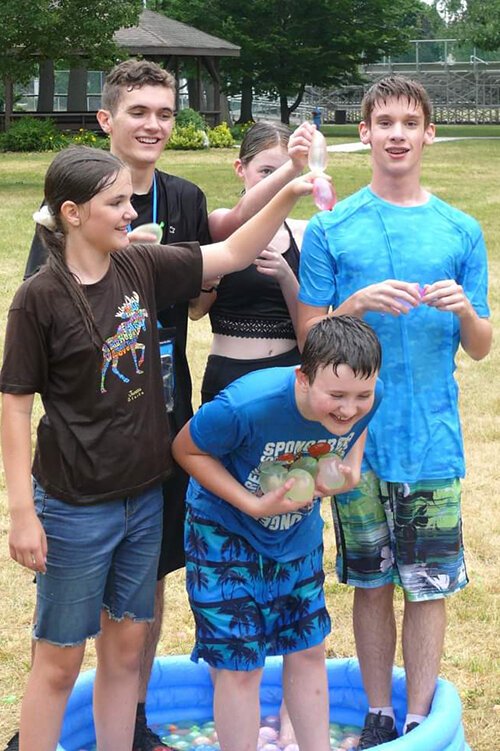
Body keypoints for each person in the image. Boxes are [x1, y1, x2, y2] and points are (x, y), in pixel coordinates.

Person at [0, 145, 315, 751]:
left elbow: (233, 252)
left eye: (128, 200)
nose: (129, 213)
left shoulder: (140, 267)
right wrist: (22, 513)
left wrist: (288, 192)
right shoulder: (38, 297)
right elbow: (15, 405)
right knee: (61, 662)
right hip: (74, 506)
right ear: (71, 212)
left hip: (144, 498)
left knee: (124, 651)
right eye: (115, 203)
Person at [19, 59, 212, 751]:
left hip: (158, 422)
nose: (153, 124)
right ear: (106, 120)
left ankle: (127, 724)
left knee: (147, 582)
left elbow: (202, 287)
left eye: (165, 112)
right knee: (66, 625)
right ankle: (41, 730)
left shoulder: (184, 197)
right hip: (86, 443)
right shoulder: (69, 200)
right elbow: (42, 333)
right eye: (138, 111)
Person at [297, 75, 492, 748]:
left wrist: (466, 309)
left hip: (432, 439)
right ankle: (379, 710)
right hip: (356, 443)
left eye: (411, 122)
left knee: (429, 585)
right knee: (371, 579)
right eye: (385, 122)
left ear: (429, 133)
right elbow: (311, 335)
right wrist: (353, 307)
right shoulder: (332, 228)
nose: (398, 133)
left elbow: (481, 346)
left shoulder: (460, 230)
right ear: (366, 133)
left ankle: (418, 716)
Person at [172, 315, 384, 751]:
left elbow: (358, 427)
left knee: (308, 650)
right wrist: (252, 504)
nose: (349, 408)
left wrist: (351, 469)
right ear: (303, 378)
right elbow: (185, 448)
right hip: (223, 532)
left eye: (361, 395)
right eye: (337, 395)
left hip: (296, 536)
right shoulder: (247, 405)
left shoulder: (369, 400)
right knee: (240, 665)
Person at [189, 120, 315, 405]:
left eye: (284, 173)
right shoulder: (221, 225)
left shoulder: (304, 234)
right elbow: (196, 311)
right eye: (267, 172)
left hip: (290, 375)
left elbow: (310, 330)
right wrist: (292, 169)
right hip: (231, 376)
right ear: (240, 169)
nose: (277, 182)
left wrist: (286, 276)